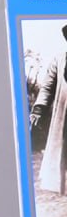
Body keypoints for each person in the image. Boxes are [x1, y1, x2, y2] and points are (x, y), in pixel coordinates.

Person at [31, 24, 67, 193]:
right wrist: (38, 109)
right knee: (62, 155)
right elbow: (47, 88)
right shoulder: (59, 60)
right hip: (64, 118)